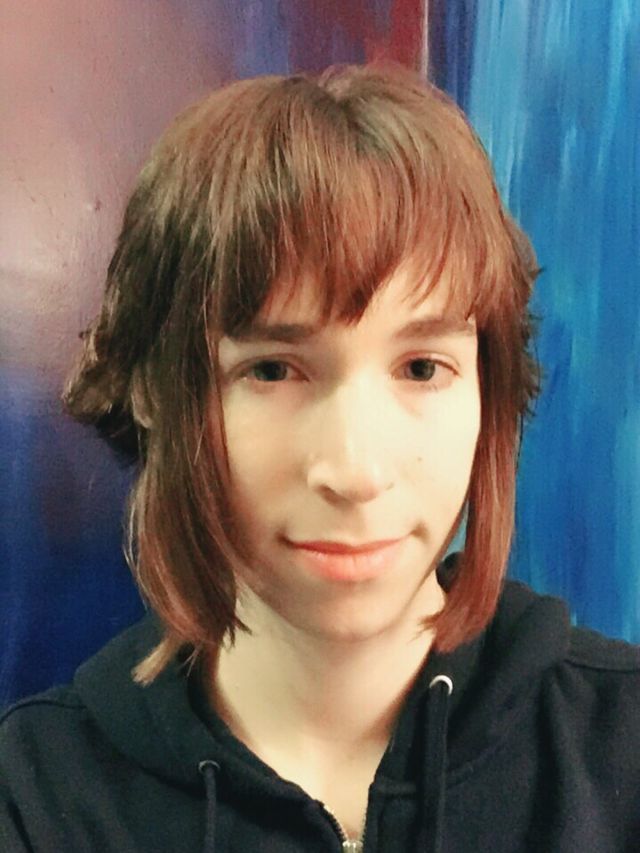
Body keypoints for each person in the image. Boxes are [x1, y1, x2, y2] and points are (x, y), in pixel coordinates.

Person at [1, 61, 638, 853]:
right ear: (154, 394)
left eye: (421, 367)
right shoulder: (35, 798)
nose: (356, 471)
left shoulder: (621, 745)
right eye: (272, 370)